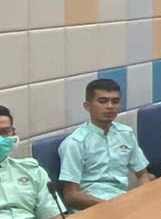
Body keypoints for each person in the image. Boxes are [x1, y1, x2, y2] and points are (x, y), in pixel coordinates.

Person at [56, 78, 152, 208]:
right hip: (92, 207)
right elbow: (71, 196)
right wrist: (112, 206)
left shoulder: (126, 134)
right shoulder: (75, 143)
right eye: (102, 101)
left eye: (115, 101)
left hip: (123, 201)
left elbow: (143, 175)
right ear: (87, 106)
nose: (110, 106)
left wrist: (143, 197)